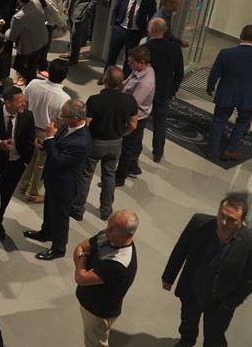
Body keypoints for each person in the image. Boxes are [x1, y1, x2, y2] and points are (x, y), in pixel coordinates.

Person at [162, 195, 252, 347]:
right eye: (221, 215)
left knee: (214, 336)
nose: (224, 222)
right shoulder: (199, 223)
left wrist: (232, 302)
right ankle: (186, 341)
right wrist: (169, 277)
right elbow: (181, 249)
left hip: (220, 302)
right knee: (187, 324)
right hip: (192, 291)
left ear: (242, 221)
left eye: (231, 219)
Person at [23, 99, 93, 260]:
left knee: (60, 217)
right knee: (49, 209)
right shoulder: (68, 127)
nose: (60, 118)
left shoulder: (82, 142)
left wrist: (49, 138)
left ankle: (58, 248)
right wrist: (45, 144)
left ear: (75, 118)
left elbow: (59, 159)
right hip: (53, 179)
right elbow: (56, 146)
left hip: (64, 185)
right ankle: (46, 232)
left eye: (64, 115)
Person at [75, 67, 137, 222]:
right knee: (109, 176)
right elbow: (134, 124)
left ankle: (77, 209)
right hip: (115, 143)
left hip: (96, 143)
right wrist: (122, 134)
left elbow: (86, 124)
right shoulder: (129, 100)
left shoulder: (95, 100)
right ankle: (106, 211)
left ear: (105, 80)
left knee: (86, 175)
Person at [206, 24, 252, 161]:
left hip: (227, 93)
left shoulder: (226, 53)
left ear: (241, 35)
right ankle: (230, 150)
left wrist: (210, 87)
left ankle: (212, 151)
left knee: (219, 121)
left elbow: (214, 74)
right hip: (249, 96)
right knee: (242, 123)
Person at [73, 210, 139, 347]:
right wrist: (83, 266)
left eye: (115, 230)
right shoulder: (107, 235)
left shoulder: (119, 263)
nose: (107, 232)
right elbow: (80, 247)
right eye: (109, 225)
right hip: (89, 302)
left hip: (98, 312)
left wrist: (83, 258)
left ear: (129, 234)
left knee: (95, 343)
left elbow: (80, 277)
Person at [0, 86, 35, 240]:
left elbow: (30, 139)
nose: (24, 104)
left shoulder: (27, 116)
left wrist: (25, 162)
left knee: (5, 195)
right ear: (8, 103)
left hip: (15, 163)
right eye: (20, 101)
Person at [20, 60, 71, 204]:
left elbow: (25, 104)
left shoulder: (33, 84)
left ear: (48, 70)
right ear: (64, 76)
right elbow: (61, 121)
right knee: (40, 163)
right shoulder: (64, 98)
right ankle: (32, 193)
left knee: (32, 158)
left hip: (28, 126)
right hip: (45, 132)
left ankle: (24, 184)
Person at [101, 0, 157, 81]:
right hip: (119, 29)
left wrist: (144, 32)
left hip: (134, 33)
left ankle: (125, 80)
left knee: (130, 59)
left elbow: (152, 18)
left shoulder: (149, 1)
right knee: (112, 55)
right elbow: (115, 10)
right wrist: (113, 24)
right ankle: (106, 77)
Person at [145, 17, 184, 162]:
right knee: (160, 123)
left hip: (146, 91)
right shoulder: (174, 48)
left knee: (140, 121)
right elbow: (179, 72)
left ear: (151, 29)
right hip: (165, 92)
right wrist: (173, 89)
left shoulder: (146, 48)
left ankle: (133, 153)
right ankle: (158, 153)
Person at [115, 47, 155, 184]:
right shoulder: (139, 70)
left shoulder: (145, 83)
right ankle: (133, 167)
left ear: (142, 62)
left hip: (135, 117)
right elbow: (126, 84)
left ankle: (119, 178)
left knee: (126, 148)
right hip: (133, 114)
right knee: (133, 144)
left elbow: (132, 104)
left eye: (131, 62)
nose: (128, 63)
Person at [6, 0, 49, 85]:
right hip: (41, 40)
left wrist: (5, 31)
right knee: (32, 64)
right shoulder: (36, 1)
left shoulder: (18, 17)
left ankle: (30, 80)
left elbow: (11, 36)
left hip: (28, 46)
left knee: (17, 65)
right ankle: (31, 81)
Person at [61, 0, 100, 65]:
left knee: (76, 36)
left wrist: (85, 12)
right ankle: (71, 53)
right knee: (71, 35)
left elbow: (95, 0)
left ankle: (74, 59)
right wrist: (65, 5)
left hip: (80, 14)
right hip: (70, 11)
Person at [37, 0, 67, 74]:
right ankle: (41, 67)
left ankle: (40, 63)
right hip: (47, 21)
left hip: (51, 20)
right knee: (45, 44)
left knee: (45, 44)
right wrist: (61, 24)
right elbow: (52, 9)